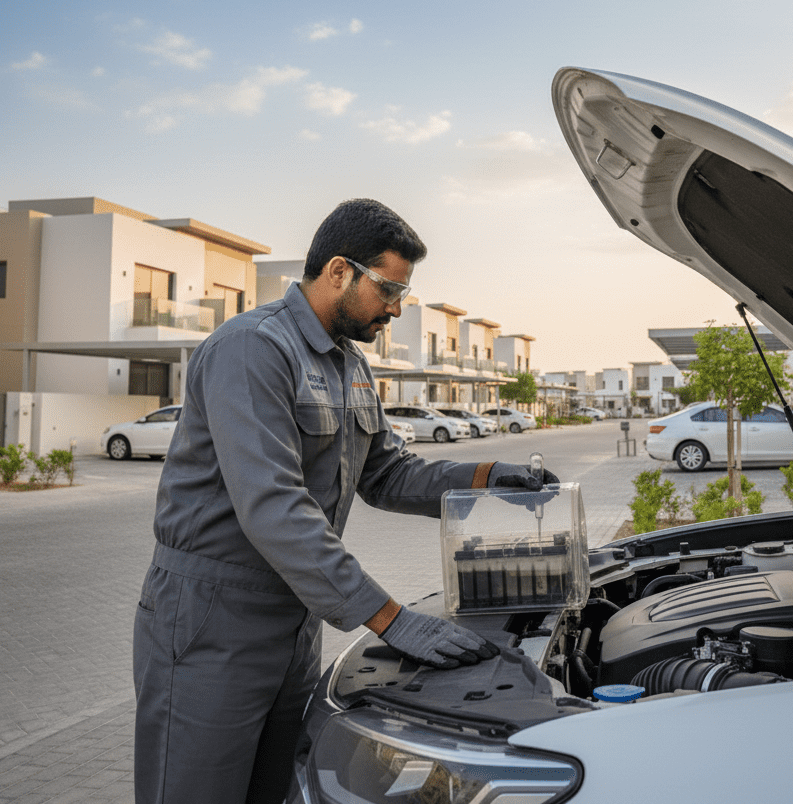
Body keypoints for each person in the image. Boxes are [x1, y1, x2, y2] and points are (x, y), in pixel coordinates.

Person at [133, 199, 557, 804]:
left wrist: (488, 477)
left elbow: (387, 474)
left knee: (273, 789)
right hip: (211, 617)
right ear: (339, 271)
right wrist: (388, 617)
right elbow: (273, 507)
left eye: (403, 293)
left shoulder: (350, 365)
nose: (396, 307)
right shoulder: (252, 350)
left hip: (295, 618)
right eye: (388, 288)